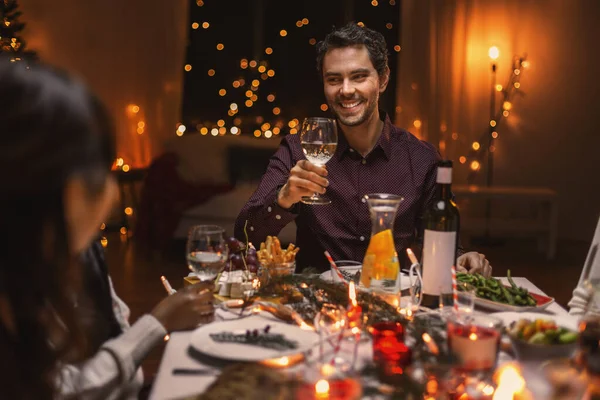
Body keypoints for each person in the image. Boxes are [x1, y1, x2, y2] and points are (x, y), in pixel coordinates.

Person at [0, 57, 214, 399]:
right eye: (102, 170)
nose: (112, 192)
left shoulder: (75, 255)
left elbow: (116, 338)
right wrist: (158, 323)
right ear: (61, 188)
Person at [234, 22, 491, 276]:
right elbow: (245, 234)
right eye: (334, 79)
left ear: (383, 79)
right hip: (316, 303)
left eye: (359, 77)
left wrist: (462, 259)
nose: (346, 90)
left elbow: (443, 245)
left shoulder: (422, 159)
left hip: (391, 302)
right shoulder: (297, 149)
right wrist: (284, 198)